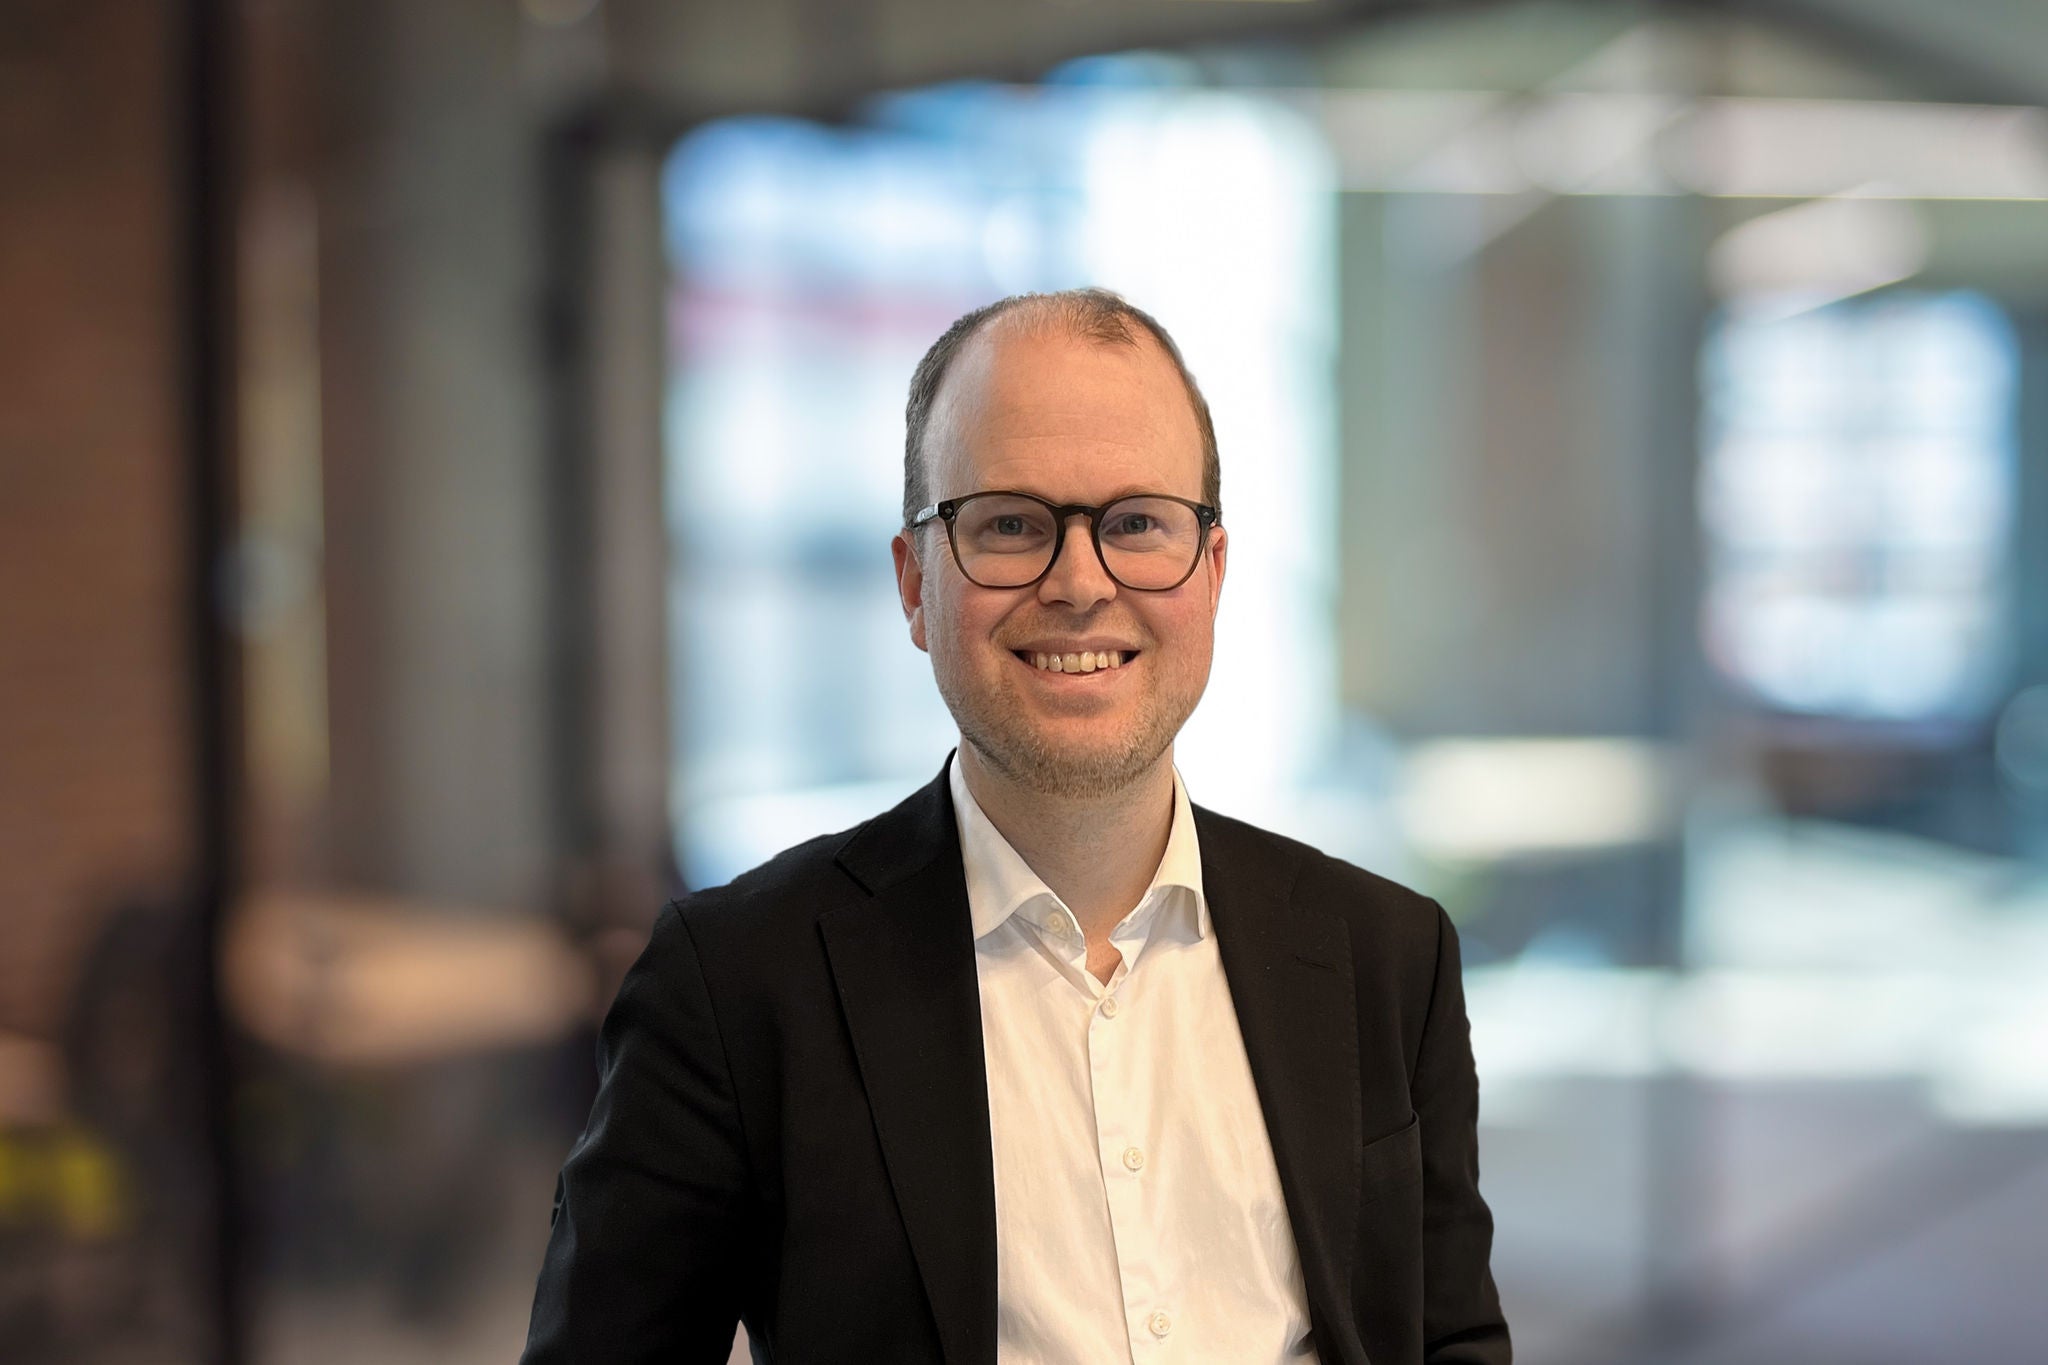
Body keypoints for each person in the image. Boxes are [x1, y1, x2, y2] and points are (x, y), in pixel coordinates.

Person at [521, 288, 1510, 1364]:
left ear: (1213, 572)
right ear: (914, 583)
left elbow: (1450, 1340)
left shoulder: (1386, 958)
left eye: (1136, 522)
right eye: (1008, 524)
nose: (1079, 583)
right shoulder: (735, 986)